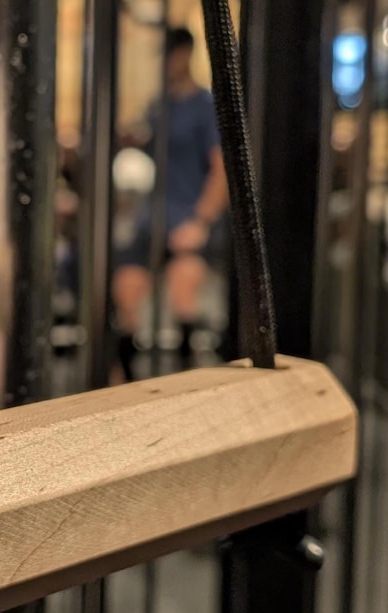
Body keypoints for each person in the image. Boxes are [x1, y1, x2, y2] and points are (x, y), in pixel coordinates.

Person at [112, 27, 229, 379]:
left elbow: (221, 170)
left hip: (188, 216)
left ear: (184, 54)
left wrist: (201, 222)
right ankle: (127, 389)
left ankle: (187, 380)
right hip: (153, 218)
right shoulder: (157, 107)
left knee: (183, 291)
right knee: (126, 291)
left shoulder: (205, 106)